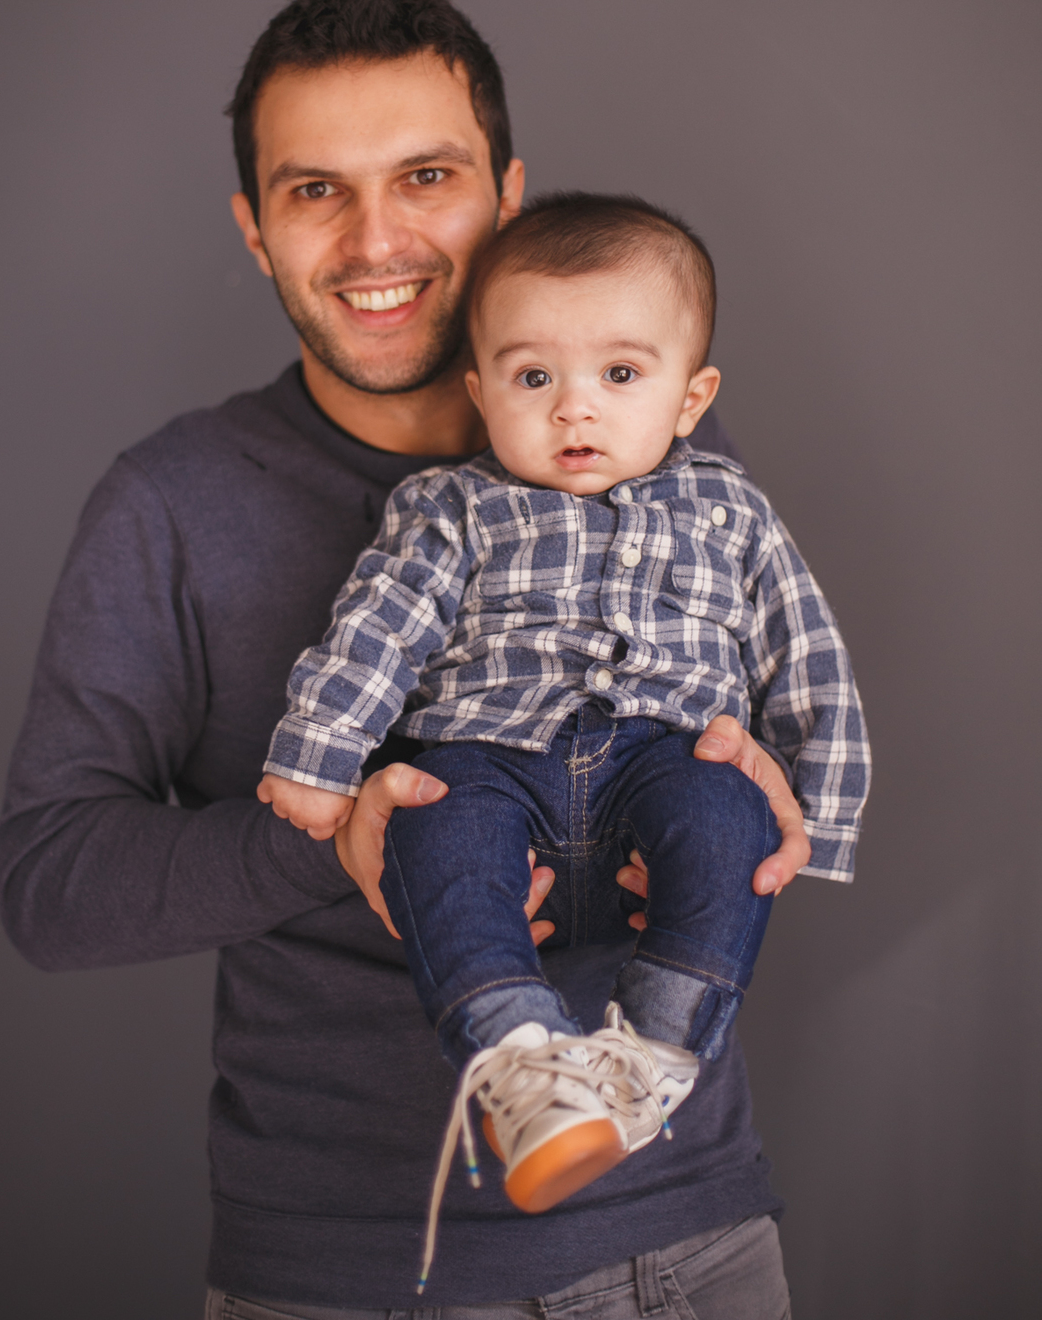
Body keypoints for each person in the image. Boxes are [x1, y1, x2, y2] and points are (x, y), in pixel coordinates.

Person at [0, 0, 819, 1320]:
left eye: (425, 175)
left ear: (506, 194)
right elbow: (49, 883)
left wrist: (764, 770)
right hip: (369, 1278)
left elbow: (761, 699)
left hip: (703, 1239)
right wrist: (323, 837)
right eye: (315, 189)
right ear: (256, 230)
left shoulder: (646, 429)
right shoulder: (172, 504)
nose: (376, 240)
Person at [258, 193, 869, 1286]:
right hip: (488, 757)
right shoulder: (451, 507)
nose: (574, 410)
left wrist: (813, 814)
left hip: (665, 753)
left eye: (620, 377)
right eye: (534, 379)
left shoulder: (728, 508)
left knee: (726, 818)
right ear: (479, 389)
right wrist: (315, 760)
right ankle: (522, 1064)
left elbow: (806, 653)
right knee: (436, 839)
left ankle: (648, 1056)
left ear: (693, 397)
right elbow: (380, 631)